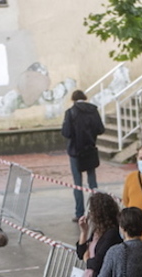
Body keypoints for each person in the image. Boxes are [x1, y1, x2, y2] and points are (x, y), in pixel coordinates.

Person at [61, 90, 105, 222]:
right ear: (84, 98)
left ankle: (80, 213)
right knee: (92, 182)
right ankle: (96, 211)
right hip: (90, 149)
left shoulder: (71, 112)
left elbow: (66, 132)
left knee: (77, 184)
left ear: (73, 99)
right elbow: (101, 129)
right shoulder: (93, 110)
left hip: (75, 152)